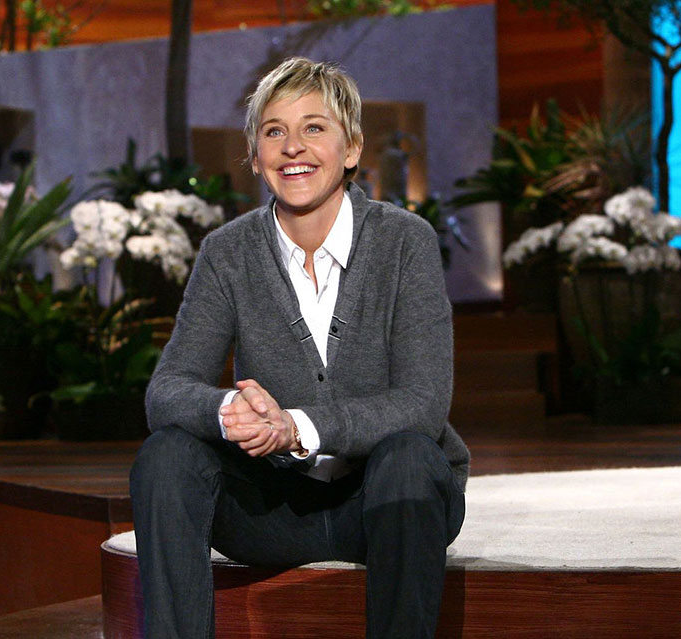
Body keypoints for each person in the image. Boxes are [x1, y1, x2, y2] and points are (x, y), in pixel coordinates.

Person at [130, 57, 469, 639]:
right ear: (256, 157)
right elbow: (167, 389)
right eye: (274, 131)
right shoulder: (227, 252)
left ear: (352, 149)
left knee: (412, 455)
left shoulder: (404, 241)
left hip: (382, 502)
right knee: (167, 456)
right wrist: (228, 413)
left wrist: (297, 427)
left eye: (314, 127)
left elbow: (422, 401)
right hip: (269, 508)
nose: (293, 147)